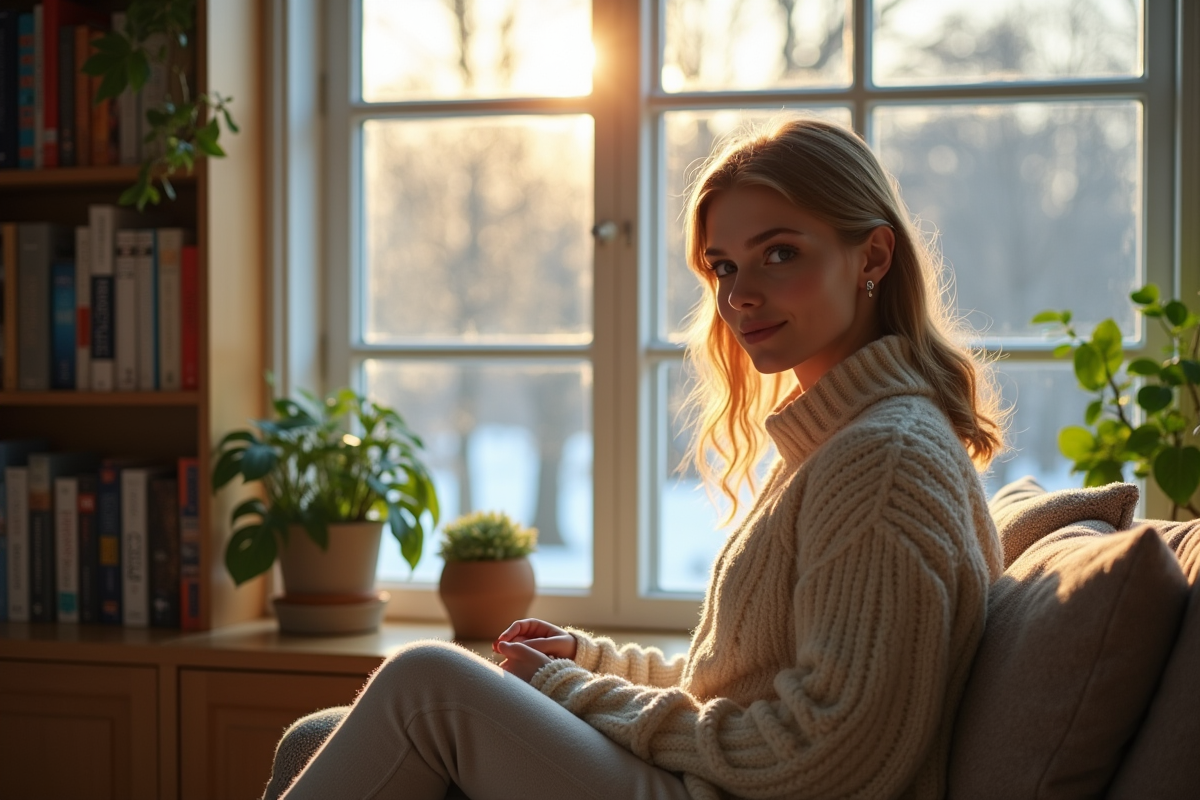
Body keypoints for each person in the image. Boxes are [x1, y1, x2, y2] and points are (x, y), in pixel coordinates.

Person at [273, 117, 1006, 800]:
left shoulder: (881, 458)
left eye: (779, 254)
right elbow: (736, 683)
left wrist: (570, 689)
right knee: (319, 734)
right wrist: (586, 661)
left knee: (427, 684)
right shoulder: (837, 439)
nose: (740, 296)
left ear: (872, 256)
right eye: (723, 267)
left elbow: (830, 750)